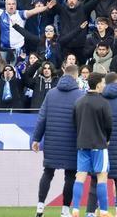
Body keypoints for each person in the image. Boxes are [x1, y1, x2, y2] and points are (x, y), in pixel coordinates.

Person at [32, 64, 85, 217]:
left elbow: (42, 118)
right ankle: (65, 210)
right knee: (70, 176)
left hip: (52, 142)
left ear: (63, 73)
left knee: (48, 173)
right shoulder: (80, 95)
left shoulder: (51, 94)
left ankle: (40, 207)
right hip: (71, 143)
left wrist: (36, 138)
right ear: (76, 76)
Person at [87, 72, 117, 217]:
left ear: (105, 82)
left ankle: (90, 212)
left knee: (95, 180)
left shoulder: (97, 98)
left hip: (98, 144)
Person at [70, 72, 112, 217]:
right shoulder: (103, 103)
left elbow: (74, 123)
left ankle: (75, 209)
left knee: (80, 176)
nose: (104, 85)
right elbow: (109, 125)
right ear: (98, 84)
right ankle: (104, 211)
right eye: (103, 82)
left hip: (82, 144)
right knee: (102, 176)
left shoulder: (79, 102)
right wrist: (107, 139)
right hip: (99, 144)